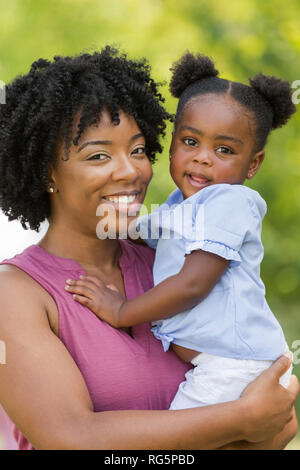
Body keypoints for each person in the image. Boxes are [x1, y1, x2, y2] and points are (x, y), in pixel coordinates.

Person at [0, 47, 298, 451]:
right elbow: (68, 438)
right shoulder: (14, 294)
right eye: (99, 155)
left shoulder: (172, 262)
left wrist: (259, 425)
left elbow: (277, 428)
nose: (131, 170)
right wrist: (241, 419)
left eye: (138, 150)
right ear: (47, 171)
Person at [65, 53, 297, 410]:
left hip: (237, 365)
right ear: (172, 143)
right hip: (220, 364)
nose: (202, 158)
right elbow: (136, 231)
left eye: (224, 150)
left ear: (253, 164)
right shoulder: (180, 204)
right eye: (190, 142)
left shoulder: (229, 202)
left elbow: (193, 284)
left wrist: (121, 311)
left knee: (176, 437)